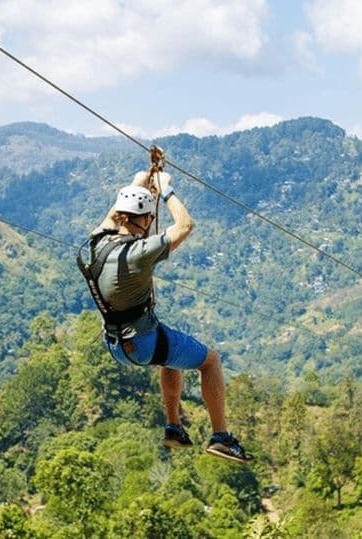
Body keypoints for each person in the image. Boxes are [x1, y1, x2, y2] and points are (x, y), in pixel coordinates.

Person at [78, 166, 252, 463]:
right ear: (145, 219)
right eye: (149, 218)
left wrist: (138, 183)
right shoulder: (140, 251)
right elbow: (184, 226)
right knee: (210, 361)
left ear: (120, 215)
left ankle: (174, 427)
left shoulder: (95, 243)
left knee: (170, 356)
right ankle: (221, 436)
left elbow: (113, 214)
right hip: (144, 342)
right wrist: (166, 188)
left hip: (116, 345)